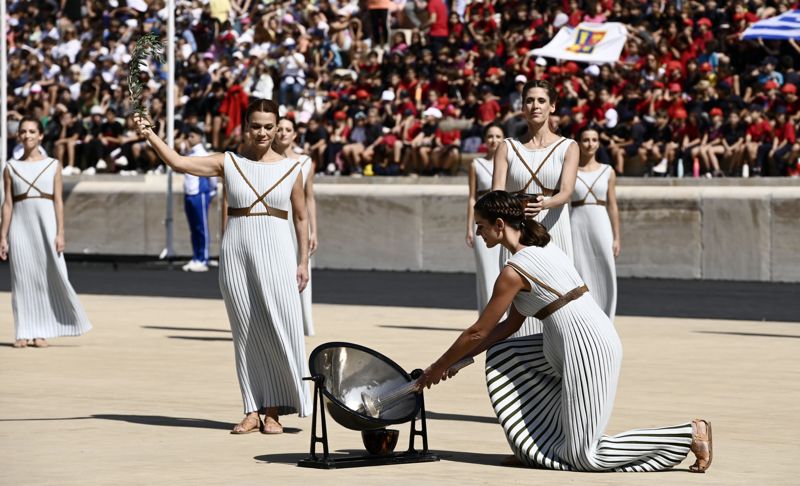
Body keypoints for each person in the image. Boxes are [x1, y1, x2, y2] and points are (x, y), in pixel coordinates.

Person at [417, 191, 713, 473]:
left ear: (498, 225)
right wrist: (456, 363)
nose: (478, 233)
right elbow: (509, 327)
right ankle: (536, 446)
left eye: (480, 226)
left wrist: (437, 367)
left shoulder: (513, 272)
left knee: (586, 456)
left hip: (588, 345)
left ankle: (687, 434)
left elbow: (478, 331)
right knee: (506, 354)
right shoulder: (542, 248)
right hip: (562, 343)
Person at [134, 99, 311, 435]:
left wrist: (303, 262)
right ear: (246, 126)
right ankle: (251, 409)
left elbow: (301, 217)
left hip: (277, 250)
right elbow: (179, 163)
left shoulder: (292, 168)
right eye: (256, 125)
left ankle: (274, 410)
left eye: (268, 126)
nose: (261, 132)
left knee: (277, 326)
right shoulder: (227, 162)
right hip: (236, 251)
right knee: (245, 331)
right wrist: (150, 136)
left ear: (277, 128)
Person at [492, 79, 579, 336]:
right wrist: (515, 210)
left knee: (559, 301)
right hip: (516, 232)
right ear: (522, 106)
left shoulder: (568, 147)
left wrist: (544, 203)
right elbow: (497, 193)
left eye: (541, 100)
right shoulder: (507, 147)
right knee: (517, 302)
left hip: (554, 229)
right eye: (529, 100)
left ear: (553, 106)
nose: (535, 106)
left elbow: (565, 192)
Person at [0, 117, 92, 348]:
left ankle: (41, 331)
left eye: (32, 131)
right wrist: (2, 235)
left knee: (47, 276)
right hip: (20, 228)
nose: (27, 135)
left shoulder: (53, 165)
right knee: (22, 280)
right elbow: (8, 204)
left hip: (46, 226)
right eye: (23, 131)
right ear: (18, 135)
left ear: (40, 135)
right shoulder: (10, 167)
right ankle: (23, 331)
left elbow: (58, 201)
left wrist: (61, 232)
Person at [273, 117, 318, 337]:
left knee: (301, 268)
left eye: (287, 129)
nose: (282, 133)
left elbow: (310, 198)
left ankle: (302, 323)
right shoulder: (266, 160)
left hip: (298, 221)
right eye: (279, 129)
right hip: (276, 218)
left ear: (294, 135)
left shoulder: (305, 162)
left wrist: (314, 231)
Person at [570, 128, 620, 321]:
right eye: (585, 140)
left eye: (594, 140)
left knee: (605, 268)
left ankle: (607, 319)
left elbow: (613, 205)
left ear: (598, 143)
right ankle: (583, 319)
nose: (590, 144)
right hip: (577, 223)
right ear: (579, 143)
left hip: (601, 223)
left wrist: (617, 237)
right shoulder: (570, 171)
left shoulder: (608, 171)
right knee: (579, 269)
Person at [466, 124, 503, 311]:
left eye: (498, 136)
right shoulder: (476, 164)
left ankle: (503, 316)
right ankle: (488, 316)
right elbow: (472, 197)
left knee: (502, 270)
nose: (494, 140)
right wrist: (469, 228)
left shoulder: (509, 163)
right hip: (482, 223)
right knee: (487, 272)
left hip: (502, 225)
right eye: (490, 136)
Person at [181, 126, 217, 272]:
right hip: (189, 194)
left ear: (199, 137)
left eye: (192, 136)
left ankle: (203, 258)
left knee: (201, 227)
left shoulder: (203, 154)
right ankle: (196, 256)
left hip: (200, 193)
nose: (189, 139)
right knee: (194, 228)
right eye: (188, 136)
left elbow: (213, 174)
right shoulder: (190, 153)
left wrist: (211, 191)